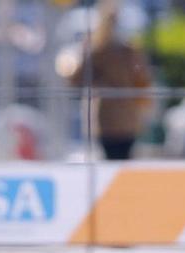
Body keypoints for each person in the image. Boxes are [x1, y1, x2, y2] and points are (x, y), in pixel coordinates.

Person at [55, 0, 154, 161]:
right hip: (118, 119)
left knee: (115, 162)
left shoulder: (106, 51)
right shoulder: (119, 52)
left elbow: (76, 79)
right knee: (118, 160)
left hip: (114, 119)